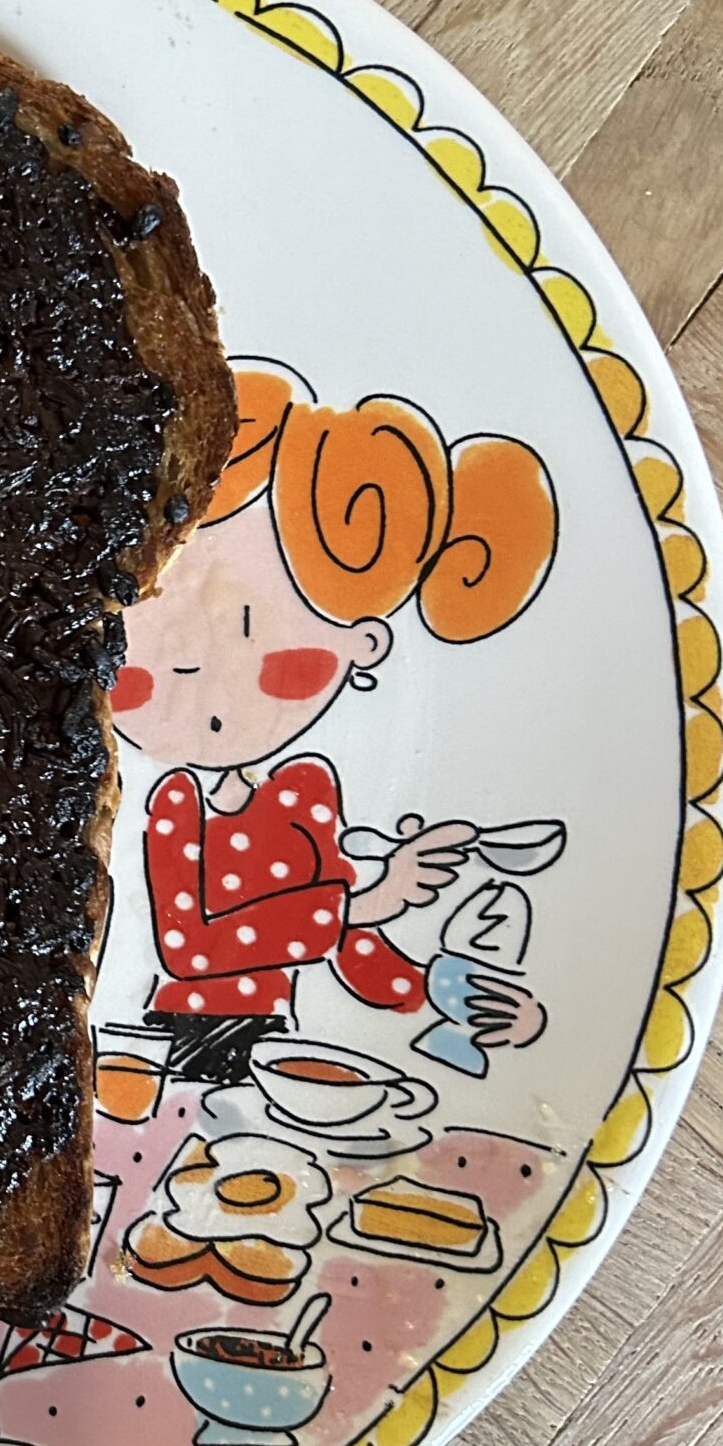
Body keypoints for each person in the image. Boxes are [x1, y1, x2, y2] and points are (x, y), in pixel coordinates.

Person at [110, 363, 555, 1084]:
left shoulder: (306, 787)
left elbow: (345, 942)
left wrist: (448, 996)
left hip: (278, 1041)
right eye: (157, 649)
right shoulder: (174, 803)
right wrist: (368, 899)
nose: (200, 674)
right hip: (183, 1045)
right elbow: (189, 948)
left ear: (362, 645)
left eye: (256, 634)